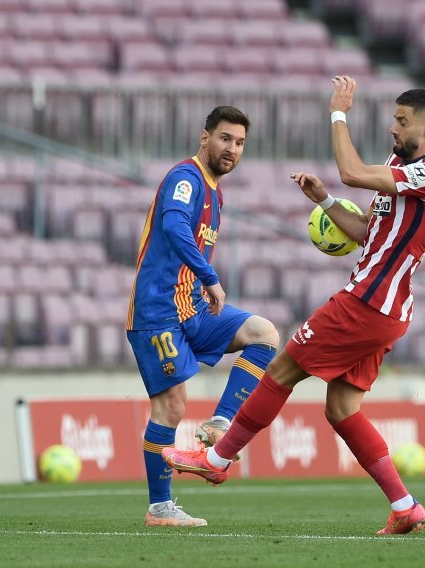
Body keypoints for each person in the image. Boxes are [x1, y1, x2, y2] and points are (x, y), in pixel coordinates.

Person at [164, 76, 425, 535]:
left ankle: (216, 460)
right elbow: (365, 234)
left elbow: (353, 172)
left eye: (402, 122)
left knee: (281, 371)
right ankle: (405, 506)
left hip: (367, 303)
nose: (393, 129)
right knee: (342, 409)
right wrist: (325, 200)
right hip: (386, 310)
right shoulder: (405, 170)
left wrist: (338, 113)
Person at [126, 106, 279, 527]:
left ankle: (220, 422)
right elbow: (174, 228)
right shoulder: (186, 178)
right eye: (225, 138)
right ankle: (160, 508)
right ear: (204, 137)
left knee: (263, 333)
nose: (232, 149)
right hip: (158, 311)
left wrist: (201, 289)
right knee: (171, 407)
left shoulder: (215, 191)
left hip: (191, 310)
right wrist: (210, 277)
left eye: (240, 143)